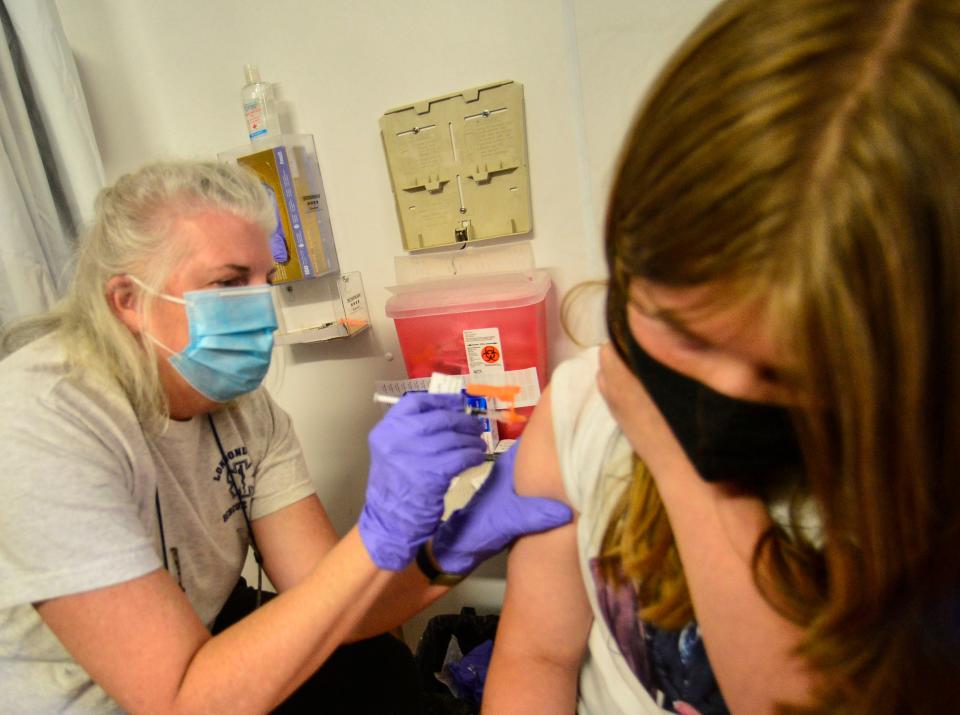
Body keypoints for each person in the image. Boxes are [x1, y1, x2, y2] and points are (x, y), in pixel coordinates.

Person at [483, 0, 960, 713]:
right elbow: (536, 655)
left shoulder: (927, 504)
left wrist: (684, 471)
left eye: (791, 375)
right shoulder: (583, 407)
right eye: (688, 332)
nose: (723, 388)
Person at [0, 160, 571, 714]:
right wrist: (379, 533)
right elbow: (180, 701)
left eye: (264, 281)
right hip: (95, 698)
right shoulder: (40, 420)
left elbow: (342, 607)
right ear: (129, 301)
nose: (263, 312)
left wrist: (462, 537)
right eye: (228, 283)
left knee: (376, 667)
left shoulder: (246, 411)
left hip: (205, 639)